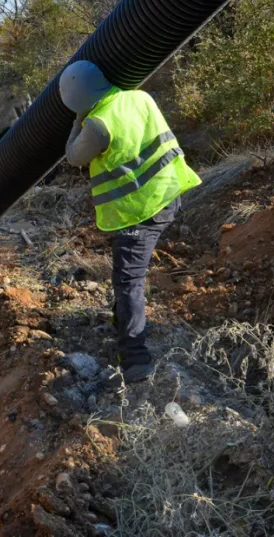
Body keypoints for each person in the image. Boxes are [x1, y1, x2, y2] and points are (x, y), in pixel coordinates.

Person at [58, 61, 202, 383]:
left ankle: (135, 359)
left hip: (140, 213)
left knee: (128, 281)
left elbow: (73, 157)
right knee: (128, 276)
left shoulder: (96, 126)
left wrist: (78, 120)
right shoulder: (141, 97)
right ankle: (121, 321)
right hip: (169, 194)